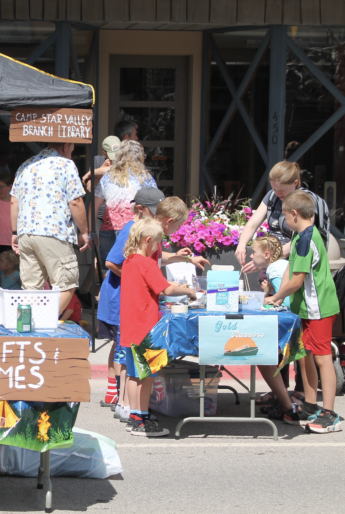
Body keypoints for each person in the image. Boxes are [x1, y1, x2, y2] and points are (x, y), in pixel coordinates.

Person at [98, 190, 209, 419]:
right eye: (177, 226)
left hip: (133, 312)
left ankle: (128, 408)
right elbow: (112, 262)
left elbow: (155, 257)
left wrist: (183, 258)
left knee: (131, 365)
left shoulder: (140, 248)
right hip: (135, 311)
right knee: (138, 366)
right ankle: (133, 409)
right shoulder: (137, 236)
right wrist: (146, 283)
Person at [266, 191, 342, 433]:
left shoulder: (305, 239)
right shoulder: (303, 235)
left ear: (294, 214)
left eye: (285, 216)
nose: (284, 221)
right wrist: (278, 298)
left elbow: (297, 280)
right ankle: (310, 406)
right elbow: (290, 270)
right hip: (308, 309)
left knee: (322, 358)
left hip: (319, 308)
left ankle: (330, 413)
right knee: (305, 355)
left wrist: (275, 297)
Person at [120, 218, 196, 436]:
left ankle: (134, 416)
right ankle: (142, 420)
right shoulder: (147, 263)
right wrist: (188, 291)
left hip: (130, 328)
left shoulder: (129, 261)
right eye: (157, 243)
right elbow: (165, 290)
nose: (157, 247)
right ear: (147, 240)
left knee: (134, 375)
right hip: (147, 330)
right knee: (147, 377)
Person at [10, 142, 91, 315]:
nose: (71, 154)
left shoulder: (26, 165)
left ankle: (26, 327)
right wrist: (84, 231)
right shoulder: (66, 164)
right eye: (72, 150)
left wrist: (15, 232)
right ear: (65, 146)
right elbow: (75, 202)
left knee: (31, 289)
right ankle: (44, 323)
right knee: (66, 284)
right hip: (54, 232)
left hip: (26, 233)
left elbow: (14, 201)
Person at [236, 161, 329, 273]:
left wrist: (269, 259)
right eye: (274, 189)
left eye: (282, 190)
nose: (278, 193)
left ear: (295, 183)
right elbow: (252, 224)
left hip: (296, 262)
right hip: (272, 261)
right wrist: (241, 245)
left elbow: (301, 238)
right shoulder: (272, 196)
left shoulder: (305, 201)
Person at [244, 235, 300, 420]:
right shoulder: (280, 265)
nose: (251, 256)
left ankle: (286, 405)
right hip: (295, 319)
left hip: (289, 322)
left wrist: (268, 298)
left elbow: (284, 299)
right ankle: (284, 402)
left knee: (262, 354)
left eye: (254, 252)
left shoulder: (274, 268)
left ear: (267, 254)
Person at [94, 140, 157, 263]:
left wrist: (91, 232)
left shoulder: (107, 177)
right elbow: (153, 205)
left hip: (108, 232)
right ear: (139, 157)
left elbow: (94, 207)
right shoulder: (146, 178)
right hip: (134, 231)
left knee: (109, 269)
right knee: (133, 269)